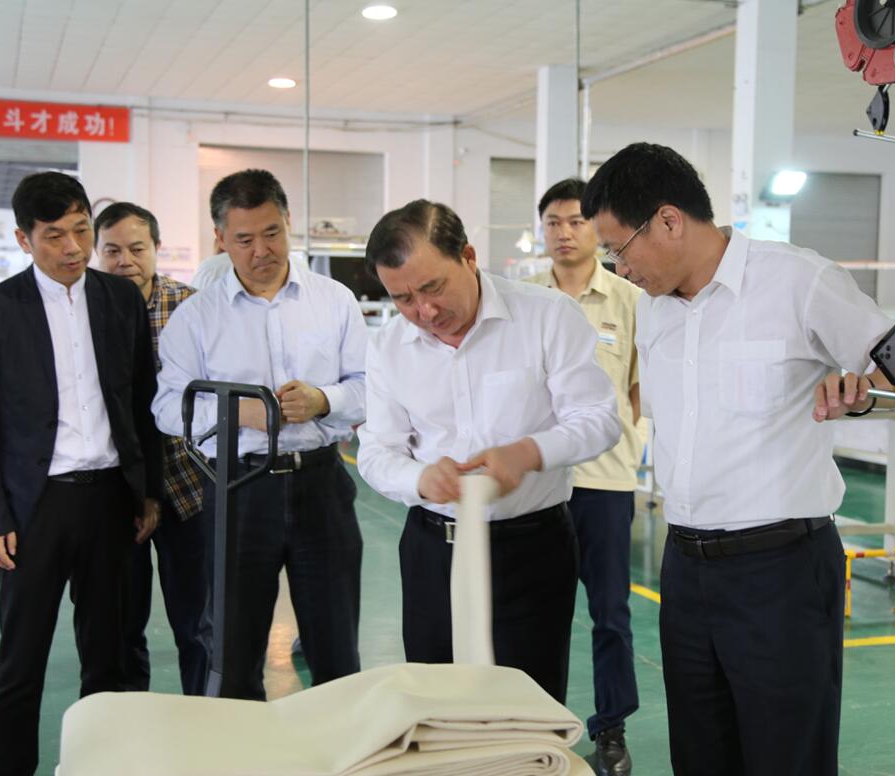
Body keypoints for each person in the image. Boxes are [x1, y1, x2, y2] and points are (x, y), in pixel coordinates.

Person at [581, 142, 895, 776]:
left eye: (619, 249)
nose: (619, 268)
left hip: (780, 570)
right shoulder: (654, 311)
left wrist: (862, 388)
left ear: (668, 220)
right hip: (684, 569)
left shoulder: (798, 280)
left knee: (786, 758)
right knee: (701, 755)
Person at [356, 199, 622, 704]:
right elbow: (375, 450)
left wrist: (530, 452)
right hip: (434, 549)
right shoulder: (389, 346)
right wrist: (419, 478)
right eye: (403, 299)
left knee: (528, 705)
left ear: (469, 257)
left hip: (531, 548)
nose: (425, 312)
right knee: (436, 704)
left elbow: (598, 419)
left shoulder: (545, 317)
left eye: (433, 288)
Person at [0, 172, 161, 776]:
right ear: (24, 239)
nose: (73, 248)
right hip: (34, 509)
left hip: (109, 503)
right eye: (54, 236)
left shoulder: (120, 299)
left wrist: (146, 491)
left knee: (108, 661)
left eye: (80, 231)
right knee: (21, 663)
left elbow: (140, 401)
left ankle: (102, 767)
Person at [151, 169, 367, 700]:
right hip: (237, 490)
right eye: (244, 239)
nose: (261, 250)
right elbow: (167, 407)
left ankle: (339, 740)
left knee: (336, 645)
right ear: (220, 238)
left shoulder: (334, 301)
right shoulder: (197, 317)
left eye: (272, 233)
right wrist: (239, 413)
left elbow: (372, 387)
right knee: (233, 646)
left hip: (321, 484)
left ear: (289, 221)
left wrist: (323, 399)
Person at [527, 177, 641, 775]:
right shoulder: (523, 299)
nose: (564, 232)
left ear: (596, 227)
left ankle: (612, 729)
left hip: (605, 484)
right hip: (537, 485)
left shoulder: (630, 300)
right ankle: (530, 727)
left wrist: (629, 446)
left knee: (610, 614)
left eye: (575, 221)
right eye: (553, 222)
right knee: (534, 614)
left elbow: (641, 389)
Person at [95, 201, 211, 696]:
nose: (125, 260)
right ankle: (130, 718)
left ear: (157, 249)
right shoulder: (86, 312)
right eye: (112, 250)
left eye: (137, 248)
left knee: (199, 622)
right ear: (96, 252)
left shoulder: (193, 307)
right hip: (119, 490)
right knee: (122, 623)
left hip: (190, 485)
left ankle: (205, 717)